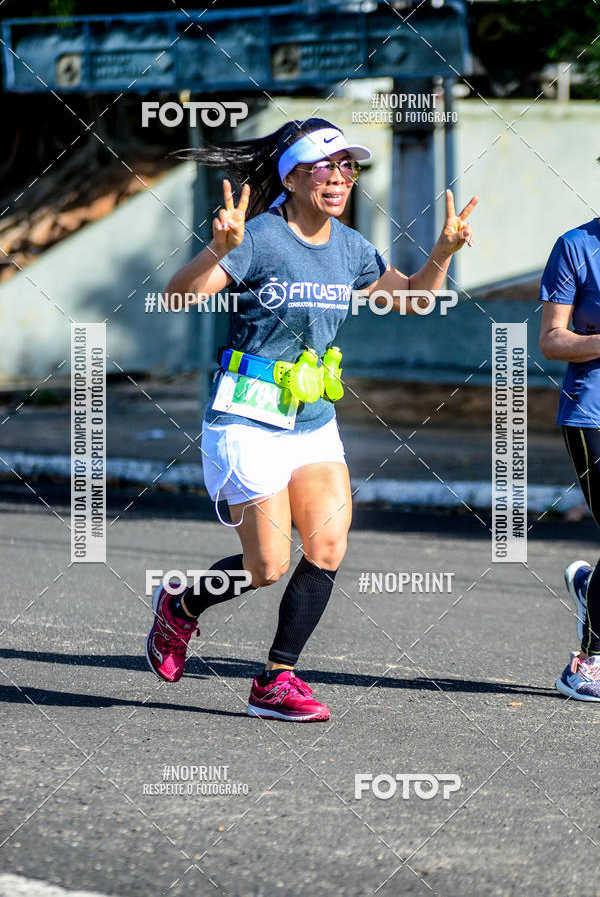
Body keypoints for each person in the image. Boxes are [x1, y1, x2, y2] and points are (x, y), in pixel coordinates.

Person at [145, 117, 477, 721]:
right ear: (293, 177)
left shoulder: (351, 247)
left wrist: (442, 253)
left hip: (313, 417)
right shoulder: (260, 238)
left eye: (349, 167)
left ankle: (276, 679)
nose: (341, 177)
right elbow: (177, 296)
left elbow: (413, 298)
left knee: (326, 545)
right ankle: (182, 606)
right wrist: (218, 250)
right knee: (266, 566)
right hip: (247, 416)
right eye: (327, 166)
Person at [539, 216, 600, 701]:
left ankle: (590, 585)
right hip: (592, 412)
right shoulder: (577, 246)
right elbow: (552, 339)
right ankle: (585, 665)